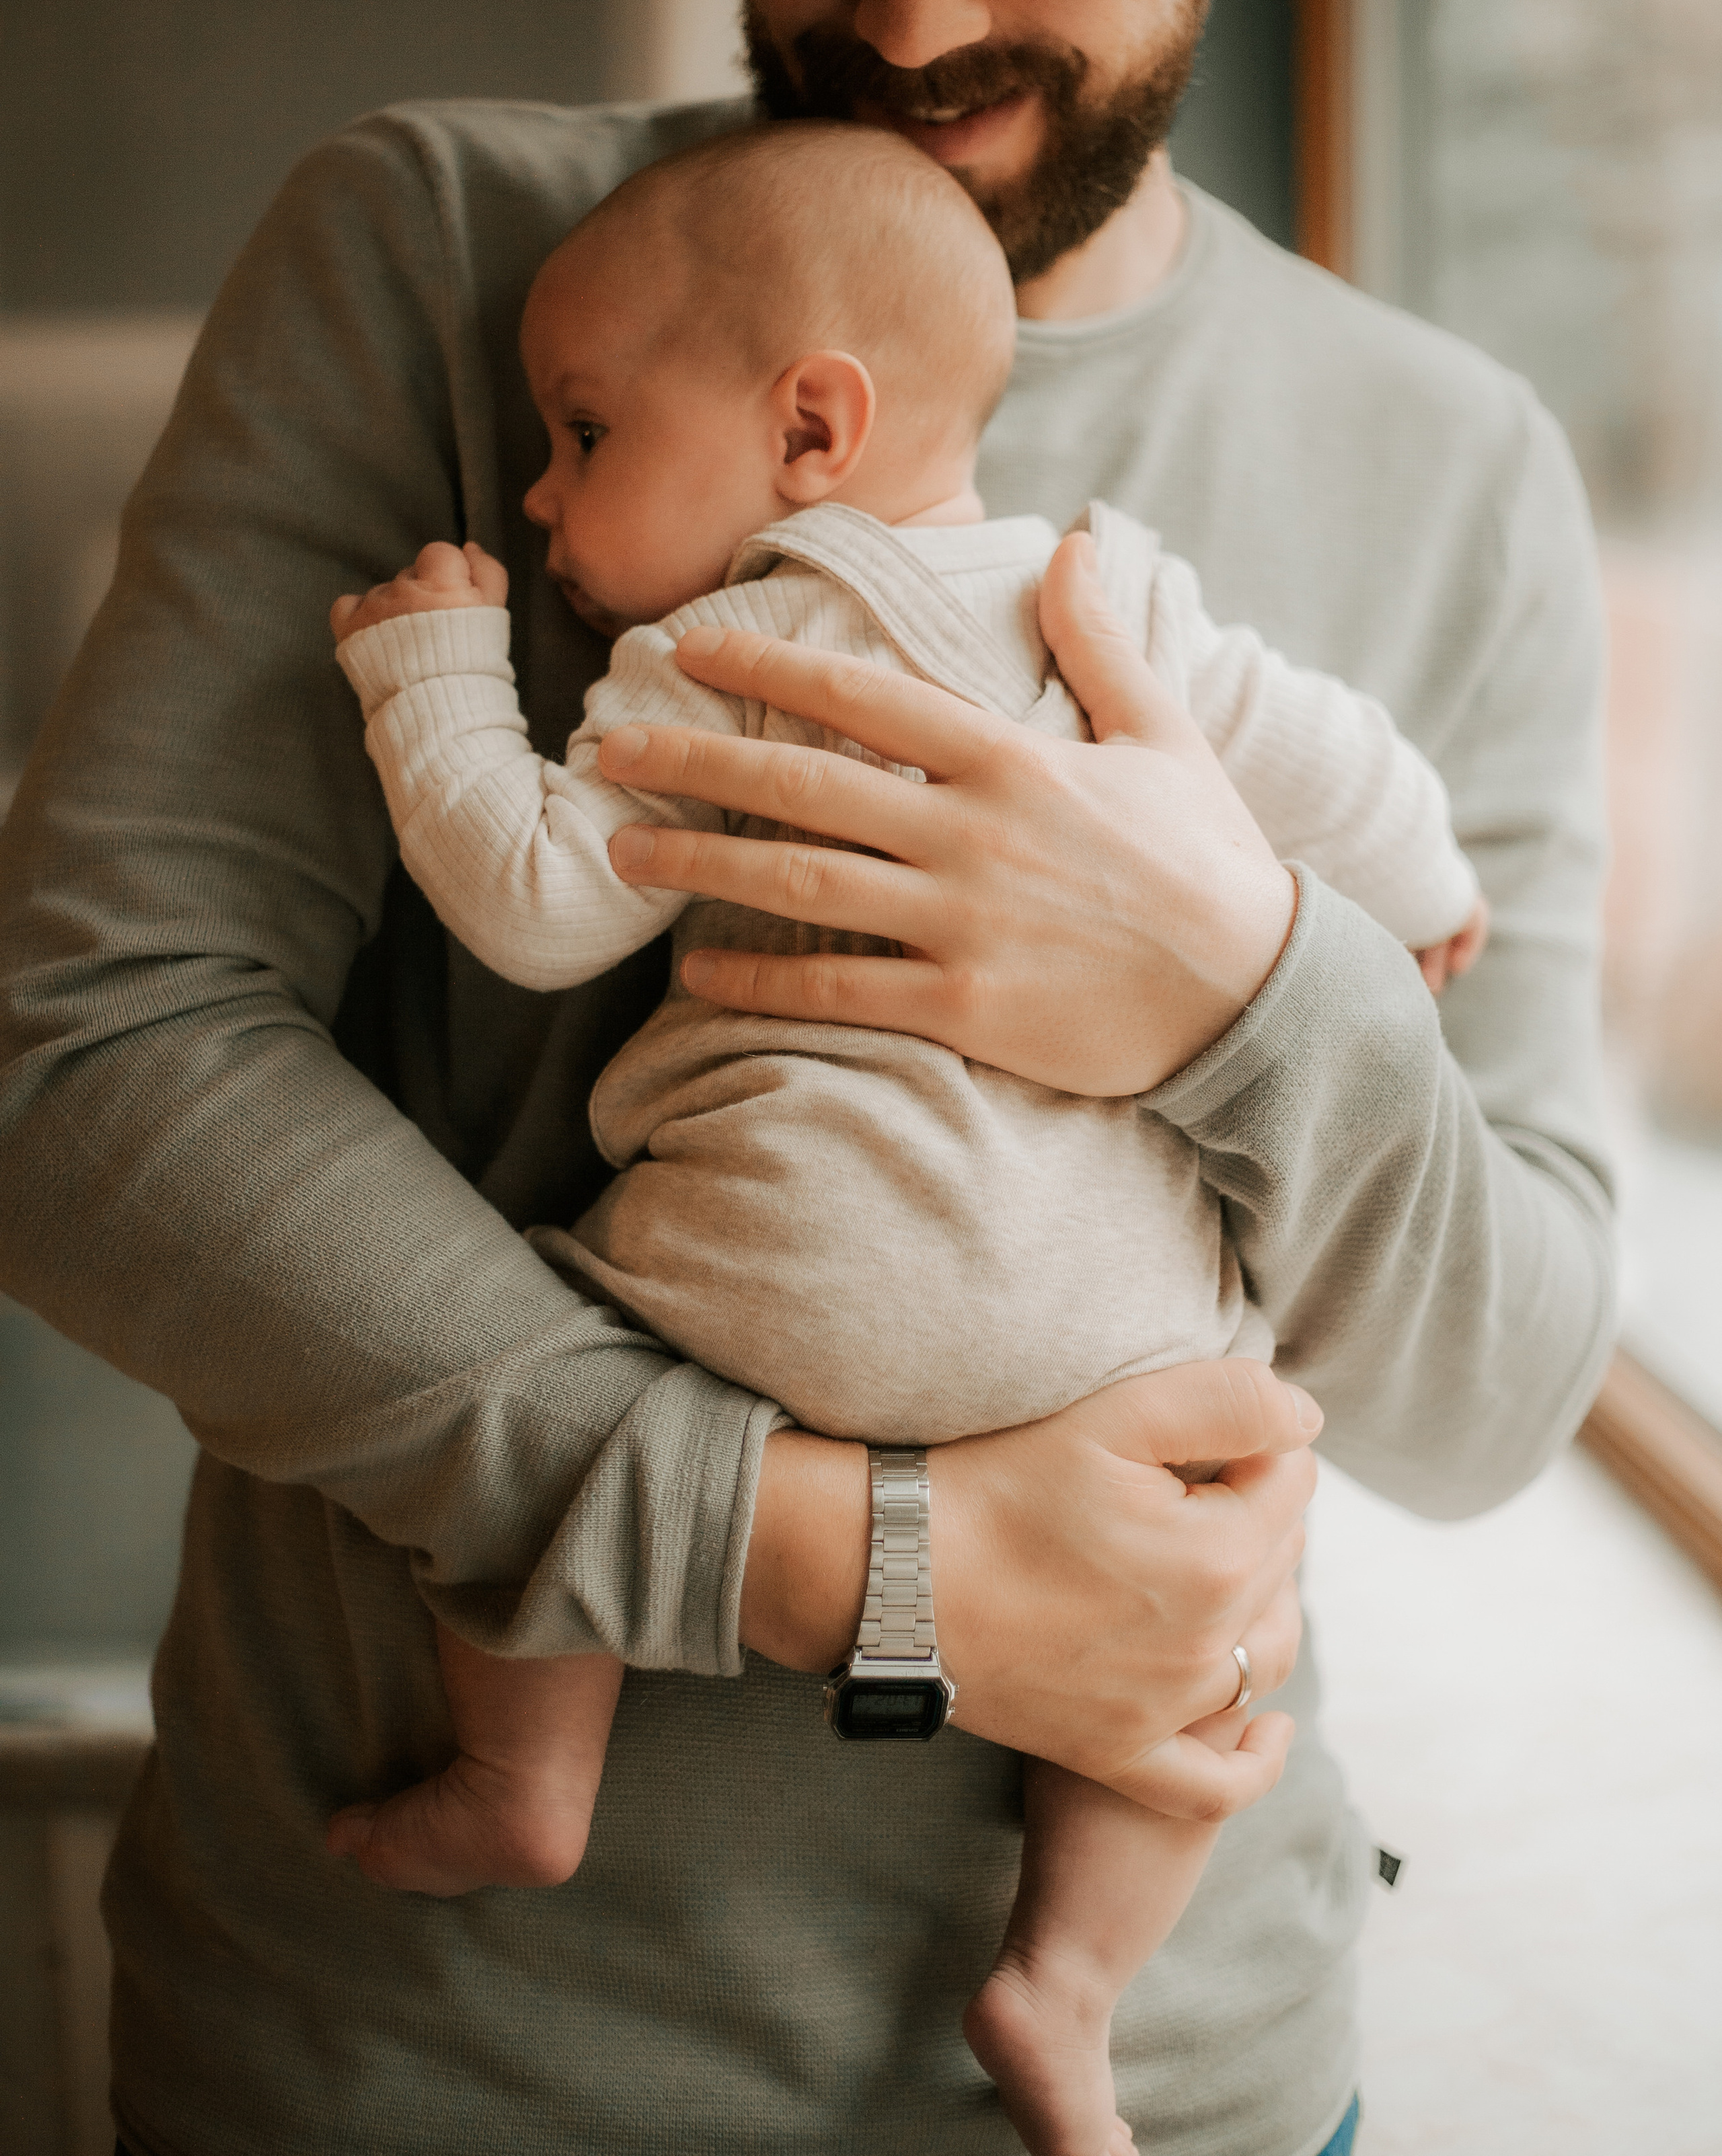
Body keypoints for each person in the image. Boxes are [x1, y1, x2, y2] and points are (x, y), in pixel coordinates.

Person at [0, 0, 1612, 2153]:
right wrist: (833, 1554)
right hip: (433, 2071)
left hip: (1183, 2088)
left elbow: (1494, 1389)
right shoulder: (450, 268)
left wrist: (1237, 989)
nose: (898, 9)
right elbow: (83, 1077)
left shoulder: (1456, 462)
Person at [319, 121, 1485, 2156]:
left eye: (586, 431)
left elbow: (529, 897)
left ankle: (527, 1780)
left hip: (786, 1284)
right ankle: (1065, 1986)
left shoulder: (720, 660)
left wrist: (428, 667)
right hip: (1116, 1344)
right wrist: (1419, 893)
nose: (541, 489)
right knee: (1200, 1617)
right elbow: (1332, 763)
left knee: (519, 1381)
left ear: (810, 427)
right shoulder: (1111, 600)